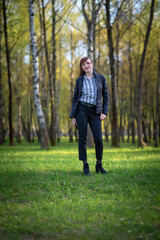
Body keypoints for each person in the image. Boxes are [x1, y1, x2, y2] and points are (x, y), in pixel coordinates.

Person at [70, 57, 109, 176]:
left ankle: (99, 164)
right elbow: (75, 98)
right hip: (81, 110)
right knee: (82, 138)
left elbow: (106, 97)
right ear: (81, 67)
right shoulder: (79, 80)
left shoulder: (101, 78)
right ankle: (85, 165)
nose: (86, 66)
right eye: (83, 64)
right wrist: (73, 116)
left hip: (95, 111)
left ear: (92, 64)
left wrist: (104, 112)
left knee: (98, 139)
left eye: (87, 63)